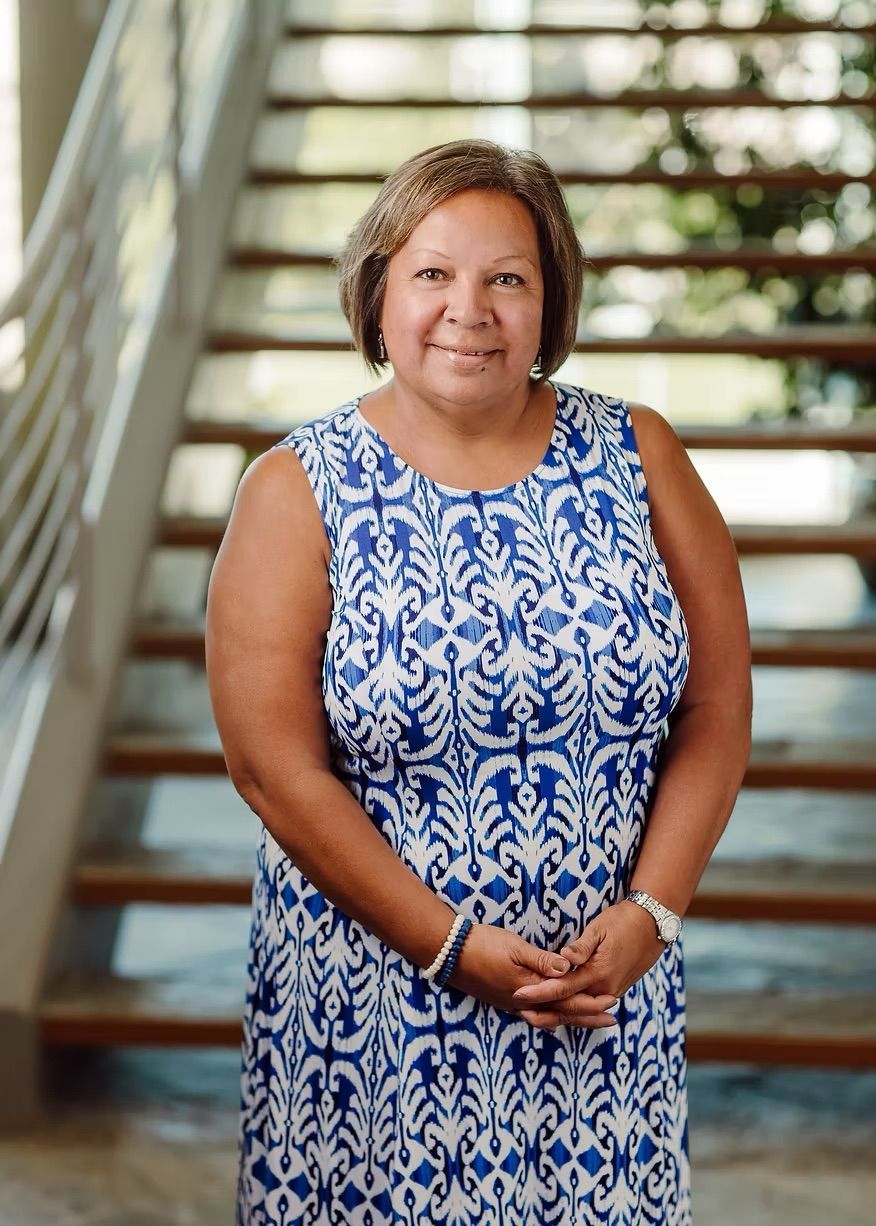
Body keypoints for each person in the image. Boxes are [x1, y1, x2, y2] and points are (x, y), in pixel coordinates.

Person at [206, 138, 752, 1225]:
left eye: (508, 276)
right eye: (433, 273)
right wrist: (450, 946)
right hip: (378, 1016)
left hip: (599, 1001)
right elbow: (274, 769)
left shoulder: (641, 452)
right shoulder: (294, 489)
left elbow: (717, 705)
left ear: (550, 302)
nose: (473, 307)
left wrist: (653, 911)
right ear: (377, 294)